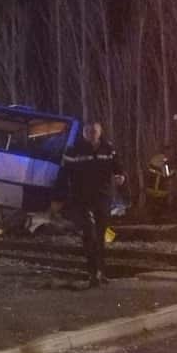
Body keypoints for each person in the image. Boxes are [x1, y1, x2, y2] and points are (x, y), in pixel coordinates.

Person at [54, 121, 125, 287]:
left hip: (103, 196)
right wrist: (58, 198)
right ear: (84, 133)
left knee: (101, 235)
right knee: (89, 233)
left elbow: (117, 166)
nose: (92, 134)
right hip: (81, 198)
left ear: (100, 132)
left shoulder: (108, 148)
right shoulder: (74, 150)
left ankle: (101, 272)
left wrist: (120, 176)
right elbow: (63, 174)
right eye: (88, 131)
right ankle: (92, 273)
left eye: (94, 131)